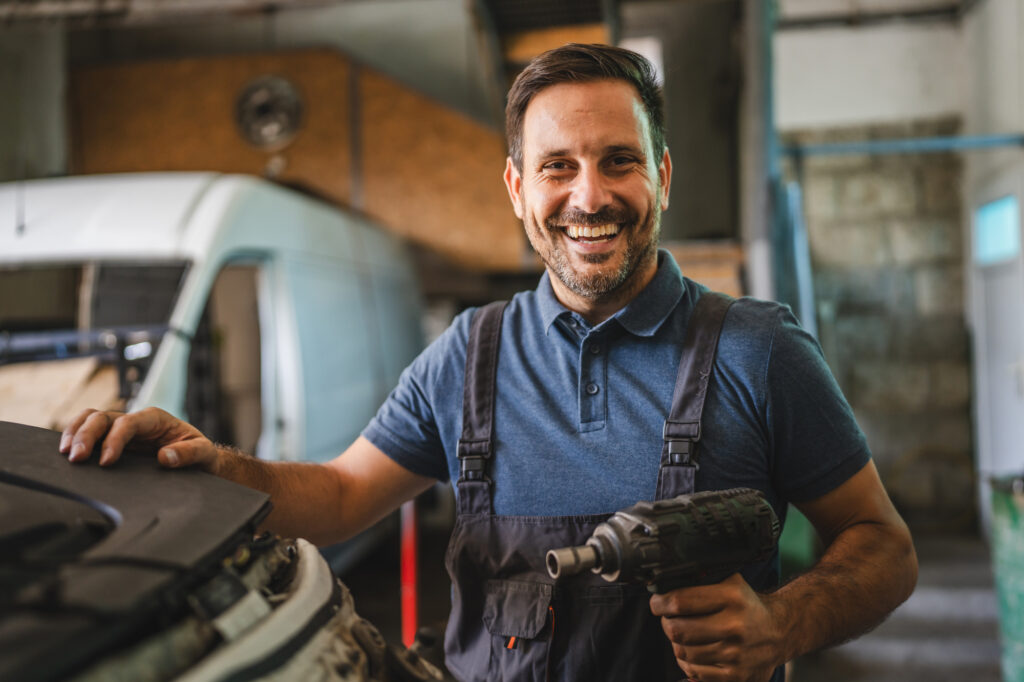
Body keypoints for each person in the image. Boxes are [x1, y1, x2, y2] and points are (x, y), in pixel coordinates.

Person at [60, 43, 917, 682]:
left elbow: (883, 546)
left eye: (619, 161)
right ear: (517, 189)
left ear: (660, 173)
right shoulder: (467, 357)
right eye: (558, 168)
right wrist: (217, 468)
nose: (589, 196)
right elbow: (342, 495)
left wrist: (782, 622)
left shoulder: (757, 351)